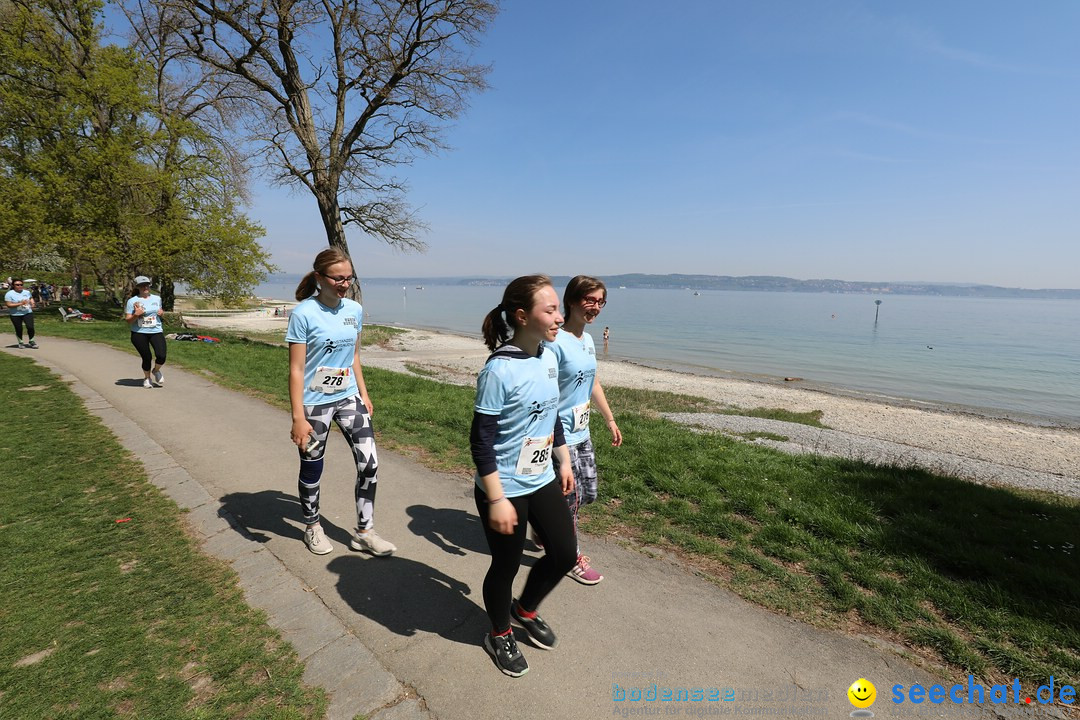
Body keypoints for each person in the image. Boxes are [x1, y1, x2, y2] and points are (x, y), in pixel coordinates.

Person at [471, 274, 577, 677]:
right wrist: (496, 498)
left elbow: (553, 416)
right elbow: (480, 442)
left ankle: (524, 609)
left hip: (542, 476)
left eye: (558, 309)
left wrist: (563, 461)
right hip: (504, 487)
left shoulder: (549, 356)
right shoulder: (498, 370)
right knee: (506, 564)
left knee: (565, 554)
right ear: (522, 315)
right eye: (550, 310)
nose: (559, 318)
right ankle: (499, 633)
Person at [286, 248, 395, 557]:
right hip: (314, 403)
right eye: (338, 278)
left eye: (349, 277)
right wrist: (298, 416)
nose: (344, 283)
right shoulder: (304, 313)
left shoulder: (354, 310)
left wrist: (364, 392)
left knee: (370, 464)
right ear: (320, 278)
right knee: (312, 467)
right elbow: (296, 369)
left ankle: (364, 532)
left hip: (348, 397)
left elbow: (354, 356)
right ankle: (312, 526)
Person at [547, 276, 623, 585]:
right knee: (570, 502)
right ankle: (570, 556)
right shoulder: (554, 342)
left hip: (583, 433)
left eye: (600, 301)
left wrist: (610, 419)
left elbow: (593, 382)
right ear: (572, 301)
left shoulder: (588, 341)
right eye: (589, 300)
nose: (595, 307)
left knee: (588, 493)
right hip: (559, 437)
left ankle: (545, 527)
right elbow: (546, 392)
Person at [124, 276, 166, 388]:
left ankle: (156, 371)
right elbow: (128, 320)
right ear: (137, 287)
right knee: (147, 357)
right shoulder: (132, 301)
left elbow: (160, 313)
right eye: (142, 285)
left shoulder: (157, 299)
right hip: (139, 333)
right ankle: (147, 378)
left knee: (161, 356)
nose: (145, 287)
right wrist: (136, 315)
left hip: (156, 331)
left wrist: (162, 313)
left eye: (147, 285)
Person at [4, 279, 37, 348]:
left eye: (21, 285)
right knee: (19, 328)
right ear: (13, 285)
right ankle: (21, 342)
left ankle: (31, 341)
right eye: (17, 285)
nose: (19, 286)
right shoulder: (9, 294)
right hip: (15, 314)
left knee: (30, 327)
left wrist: (33, 303)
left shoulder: (27, 292)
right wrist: (20, 303)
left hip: (27, 312)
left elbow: (30, 298)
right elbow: (8, 305)